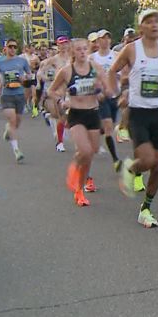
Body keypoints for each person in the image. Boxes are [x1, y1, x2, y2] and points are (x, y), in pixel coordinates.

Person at [108, 9, 158, 228]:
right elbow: (112, 71)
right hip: (138, 113)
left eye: (157, 22)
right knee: (148, 159)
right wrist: (117, 94)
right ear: (141, 27)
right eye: (149, 22)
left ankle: (146, 209)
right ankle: (130, 169)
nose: (154, 25)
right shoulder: (131, 49)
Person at [49, 38, 111, 206]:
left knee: (93, 151)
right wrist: (62, 101)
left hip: (93, 113)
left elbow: (108, 89)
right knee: (84, 150)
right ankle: (78, 186)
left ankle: (80, 183)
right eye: (79, 49)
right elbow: (52, 90)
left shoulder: (96, 68)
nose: (83, 52)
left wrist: (101, 92)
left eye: (85, 49)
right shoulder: (67, 71)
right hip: (76, 114)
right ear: (73, 52)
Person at [88, 30, 123, 172]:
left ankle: (97, 131)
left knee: (107, 127)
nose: (106, 40)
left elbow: (123, 73)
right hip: (101, 96)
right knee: (109, 126)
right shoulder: (92, 58)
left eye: (108, 38)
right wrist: (97, 91)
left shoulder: (117, 56)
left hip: (115, 95)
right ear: (98, 41)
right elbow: (88, 77)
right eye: (102, 38)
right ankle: (116, 160)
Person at [0, 40, 31, 163]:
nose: (12, 49)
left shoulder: (22, 61)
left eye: (15, 47)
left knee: (17, 122)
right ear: (5, 48)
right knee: (12, 120)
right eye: (10, 46)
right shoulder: (0, 62)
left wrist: (25, 78)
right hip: (7, 94)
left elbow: (29, 75)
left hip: (20, 94)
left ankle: (8, 130)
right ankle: (16, 150)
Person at [38, 36, 72, 152]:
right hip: (59, 89)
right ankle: (60, 142)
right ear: (57, 46)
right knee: (61, 116)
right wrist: (45, 77)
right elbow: (41, 70)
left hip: (71, 89)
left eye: (65, 43)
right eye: (61, 44)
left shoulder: (72, 57)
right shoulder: (54, 59)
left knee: (71, 116)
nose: (63, 46)